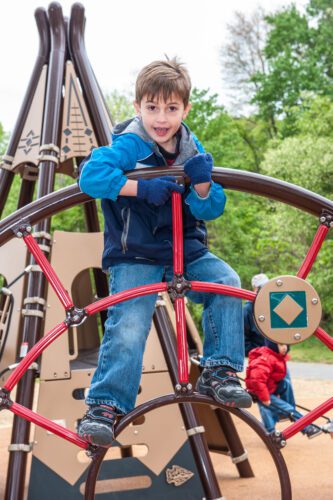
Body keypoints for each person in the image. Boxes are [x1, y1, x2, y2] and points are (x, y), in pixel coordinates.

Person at [77, 57, 252, 447]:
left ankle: (220, 370)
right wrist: (141, 188)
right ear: (138, 107)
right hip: (136, 252)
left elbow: (210, 208)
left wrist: (203, 186)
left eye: (171, 108)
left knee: (225, 282)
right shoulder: (129, 143)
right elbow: (90, 176)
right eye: (152, 107)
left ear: (185, 109)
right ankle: (105, 405)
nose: (162, 118)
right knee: (131, 322)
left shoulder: (191, 148)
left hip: (184, 248)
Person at [245, 339, 322, 438]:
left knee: (285, 384)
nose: (284, 347)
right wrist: (265, 398)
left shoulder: (276, 356)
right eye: (281, 344)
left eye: (286, 344)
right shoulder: (266, 359)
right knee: (281, 409)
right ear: (272, 345)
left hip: (269, 388)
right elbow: (256, 379)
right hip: (259, 392)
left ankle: (283, 414)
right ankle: (306, 428)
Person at [243, 273, 269, 356]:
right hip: (259, 357)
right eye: (262, 287)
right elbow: (244, 339)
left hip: (276, 356)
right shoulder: (247, 310)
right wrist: (258, 353)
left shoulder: (273, 304)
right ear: (255, 289)